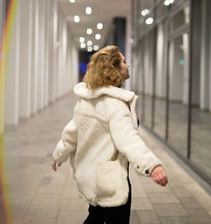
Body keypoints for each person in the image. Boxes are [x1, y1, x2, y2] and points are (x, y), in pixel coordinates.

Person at [51, 45, 168, 224]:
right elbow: (128, 140)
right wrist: (152, 166)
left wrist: (58, 155)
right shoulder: (115, 105)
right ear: (113, 69)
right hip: (110, 180)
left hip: (91, 177)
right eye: (124, 62)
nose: (128, 65)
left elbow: (71, 133)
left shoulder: (87, 100)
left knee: (96, 217)